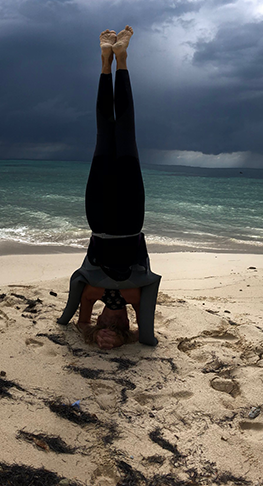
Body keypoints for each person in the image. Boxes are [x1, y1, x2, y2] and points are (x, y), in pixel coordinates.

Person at [57, 25, 161, 350]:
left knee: (110, 131)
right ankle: (120, 60)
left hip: (103, 220)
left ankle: (108, 61)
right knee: (120, 131)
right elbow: (148, 335)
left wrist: (74, 323)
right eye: (115, 329)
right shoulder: (132, 295)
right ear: (124, 325)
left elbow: (71, 311)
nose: (108, 323)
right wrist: (140, 336)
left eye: (102, 326)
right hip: (123, 219)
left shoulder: (93, 294)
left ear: (99, 319)